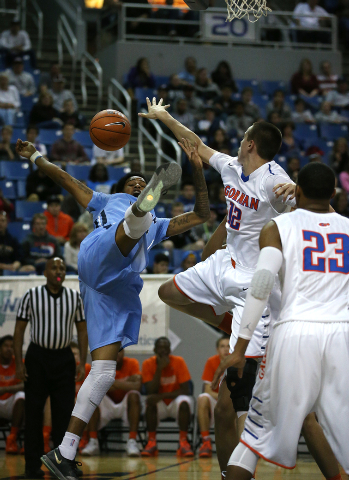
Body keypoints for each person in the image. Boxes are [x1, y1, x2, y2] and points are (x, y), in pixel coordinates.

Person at [139, 100, 341, 479]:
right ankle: (228, 320)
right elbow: (195, 145)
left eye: (244, 135)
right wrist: (165, 118)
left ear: (251, 143)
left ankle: (238, 465)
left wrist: (298, 188)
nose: (240, 138)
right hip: (225, 264)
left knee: (244, 408)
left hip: (255, 283)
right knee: (167, 292)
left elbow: (309, 200)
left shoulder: (272, 179)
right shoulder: (232, 165)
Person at [15, 131, 209, 479]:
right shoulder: (105, 199)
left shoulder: (159, 225)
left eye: (141, 183)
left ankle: (64, 452)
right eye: (133, 183)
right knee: (132, 225)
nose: (135, 183)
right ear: (126, 189)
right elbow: (66, 178)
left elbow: (202, 215)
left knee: (103, 373)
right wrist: (34, 158)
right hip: (99, 254)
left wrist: (196, 168)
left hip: (116, 289)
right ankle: (141, 209)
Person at [216, 162, 349, 477]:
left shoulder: (278, 227)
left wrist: (240, 347)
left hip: (295, 333)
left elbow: (260, 285)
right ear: (334, 192)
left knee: (254, 435)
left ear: (297, 190)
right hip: (342, 334)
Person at [14, 257, 87, 478]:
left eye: (62, 268)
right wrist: (19, 363)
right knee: (34, 413)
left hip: (64, 359)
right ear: (45, 272)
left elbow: (82, 331)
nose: (59, 271)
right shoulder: (31, 295)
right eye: (54, 267)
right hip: (38, 358)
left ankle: (63, 464)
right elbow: (19, 330)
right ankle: (31, 466)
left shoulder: (74, 298)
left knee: (64, 415)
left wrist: (81, 362)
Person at [82, 348, 142, 457]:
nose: (117, 353)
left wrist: (111, 383)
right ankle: (93, 441)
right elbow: (98, 387)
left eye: (120, 350)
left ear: (124, 352)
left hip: (125, 404)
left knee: (134, 395)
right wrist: (127, 382)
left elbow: (137, 386)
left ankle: (132, 441)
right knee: (92, 396)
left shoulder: (132, 363)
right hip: (107, 405)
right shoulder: (103, 365)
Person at [141, 337, 194, 457]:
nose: (164, 351)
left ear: (170, 350)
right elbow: (150, 390)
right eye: (160, 348)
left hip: (174, 403)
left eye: (166, 348)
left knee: (185, 402)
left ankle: (183, 442)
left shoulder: (179, 361)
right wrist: (159, 368)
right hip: (160, 406)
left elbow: (186, 390)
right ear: (155, 350)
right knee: (150, 403)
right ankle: (151, 442)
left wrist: (161, 395)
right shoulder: (148, 364)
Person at [43, 341, 92, 455]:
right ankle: (45, 437)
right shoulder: (58, 370)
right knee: (50, 400)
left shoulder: (86, 368)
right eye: (70, 353)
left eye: (75, 354)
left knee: (83, 400)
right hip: (60, 405)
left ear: (79, 356)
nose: (72, 356)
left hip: (79, 404)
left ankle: (83, 438)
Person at [197, 336, 230, 458]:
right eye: (222, 346)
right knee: (202, 398)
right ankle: (205, 441)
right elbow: (207, 390)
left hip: (234, 403)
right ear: (217, 349)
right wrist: (222, 398)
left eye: (228, 346)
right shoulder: (212, 362)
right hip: (217, 400)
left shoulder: (238, 362)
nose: (226, 349)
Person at [0, 335, 25, 454]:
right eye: (6, 346)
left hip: (12, 405)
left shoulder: (20, 363)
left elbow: (25, 385)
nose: (9, 349)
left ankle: (12, 438)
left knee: (21, 395)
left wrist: (5, 389)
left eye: (11, 346)